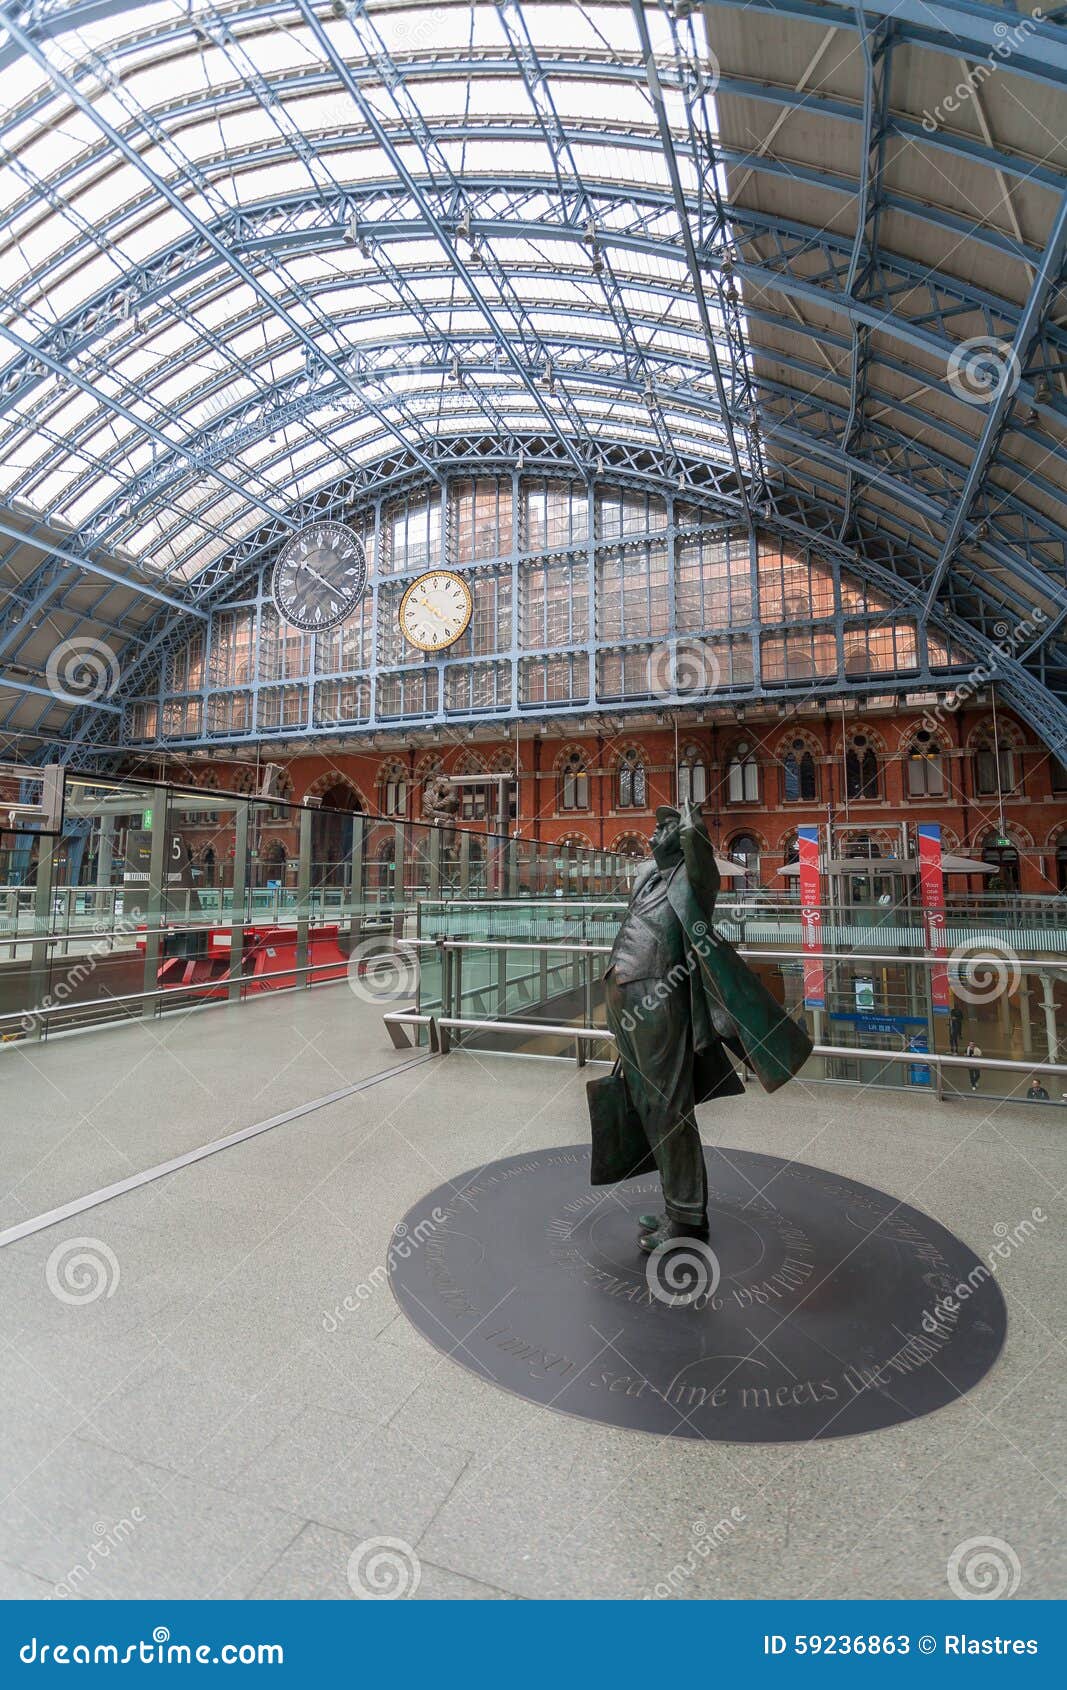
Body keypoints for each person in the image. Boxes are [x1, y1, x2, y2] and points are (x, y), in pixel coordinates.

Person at [591, 801, 813, 1253]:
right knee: (648, 1102)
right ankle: (678, 1203)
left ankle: (687, 1218)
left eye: (662, 830)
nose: (653, 836)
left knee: (668, 1104)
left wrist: (685, 824)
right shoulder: (651, 877)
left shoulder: (692, 879)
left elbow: (698, 844)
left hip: (658, 995)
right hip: (629, 995)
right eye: (655, 830)